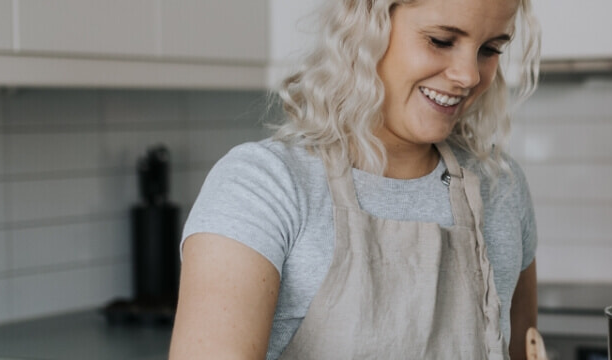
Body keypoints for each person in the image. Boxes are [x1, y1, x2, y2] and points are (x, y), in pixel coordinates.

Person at [169, 0, 541, 358]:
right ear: (366, 23)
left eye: (490, 49)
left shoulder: (500, 185)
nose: (469, 75)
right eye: (441, 41)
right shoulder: (262, 186)